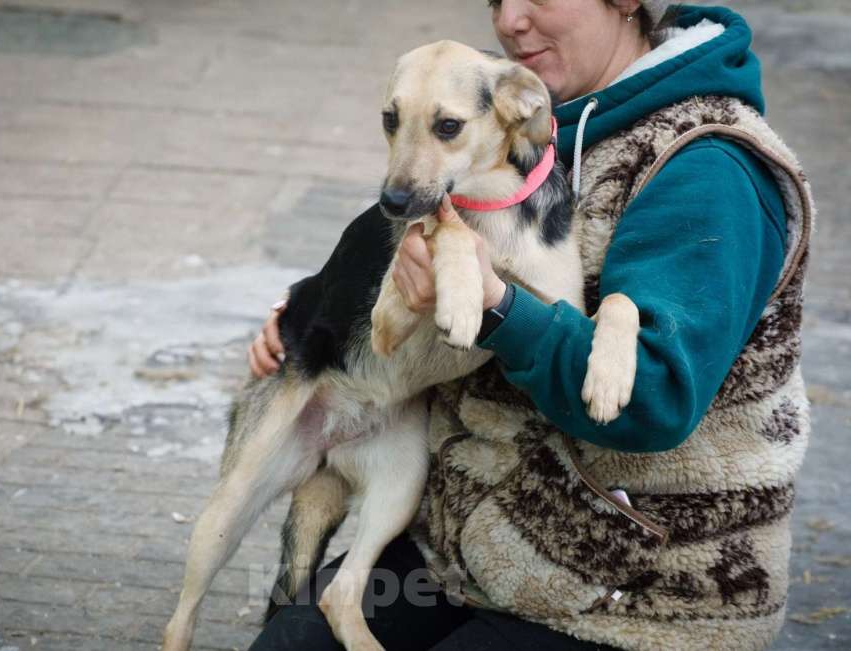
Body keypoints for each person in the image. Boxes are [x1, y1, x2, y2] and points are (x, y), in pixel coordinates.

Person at [247, 1, 814, 649]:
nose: (511, 20)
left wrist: (497, 309)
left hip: (641, 589)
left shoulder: (707, 168)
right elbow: (407, 253)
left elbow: (652, 400)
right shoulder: (520, 120)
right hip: (472, 541)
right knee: (293, 639)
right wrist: (310, 324)